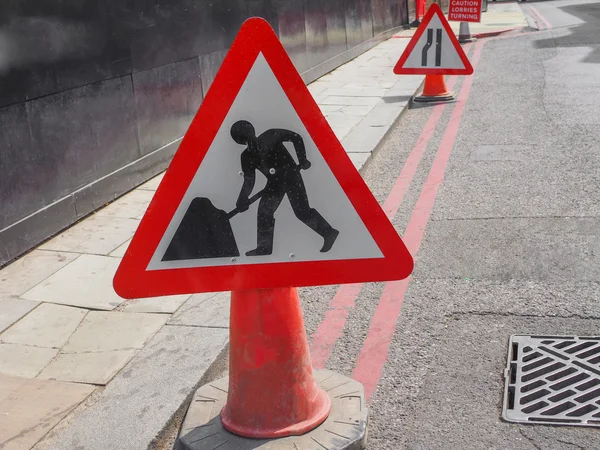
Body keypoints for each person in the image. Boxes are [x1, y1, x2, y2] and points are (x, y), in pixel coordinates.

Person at [231, 120, 339, 257]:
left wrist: (302, 159)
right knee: (264, 212)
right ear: (241, 142)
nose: (252, 143)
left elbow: (295, 137)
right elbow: (249, 180)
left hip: (291, 176)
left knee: (302, 211)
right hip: (274, 183)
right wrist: (242, 198)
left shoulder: (271, 135)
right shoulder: (246, 156)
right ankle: (264, 248)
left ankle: (329, 232)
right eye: (246, 140)